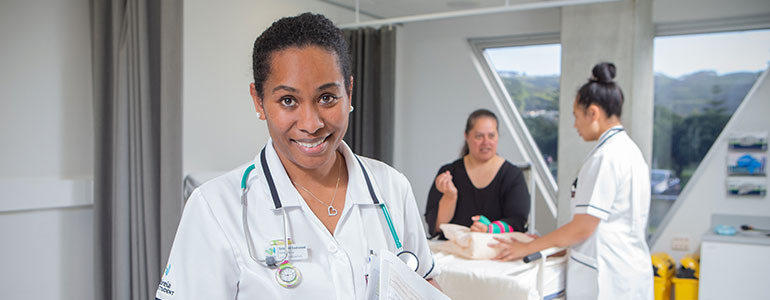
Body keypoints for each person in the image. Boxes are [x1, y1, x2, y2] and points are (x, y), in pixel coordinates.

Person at [155, 13, 439, 299]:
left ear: (349, 92)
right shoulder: (214, 208)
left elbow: (425, 282)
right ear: (259, 100)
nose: (311, 123)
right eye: (288, 101)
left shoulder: (391, 186)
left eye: (327, 97)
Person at [490, 62, 653, 299]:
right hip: (628, 269)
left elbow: (582, 228)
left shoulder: (606, 157)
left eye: (576, 116)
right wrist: (550, 244)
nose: (575, 124)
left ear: (593, 113)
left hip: (607, 277)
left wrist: (527, 248)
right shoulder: (629, 151)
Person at [424, 109, 530, 239]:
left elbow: (518, 222)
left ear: (498, 136)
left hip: (497, 252)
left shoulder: (512, 175)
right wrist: (450, 196)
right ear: (466, 136)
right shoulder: (449, 173)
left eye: (491, 136)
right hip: (452, 251)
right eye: (479, 136)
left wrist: (490, 229)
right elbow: (436, 227)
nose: (486, 142)